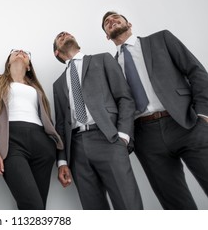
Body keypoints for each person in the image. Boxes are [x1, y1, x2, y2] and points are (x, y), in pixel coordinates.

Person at [101, 11, 208, 209]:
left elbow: (196, 71)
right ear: (107, 35)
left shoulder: (161, 39)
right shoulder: (111, 66)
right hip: (147, 138)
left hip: (187, 123)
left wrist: (203, 114)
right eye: (106, 23)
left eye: (116, 17)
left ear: (129, 23)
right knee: (176, 205)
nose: (111, 21)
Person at [52, 32, 143, 210]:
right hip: (76, 148)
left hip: (108, 138)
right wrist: (62, 161)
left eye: (66, 33)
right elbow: (61, 125)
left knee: (127, 203)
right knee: (93, 209)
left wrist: (123, 135)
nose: (63, 34)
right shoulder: (58, 84)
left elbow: (124, 97)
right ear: (57, 52)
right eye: (59, 37)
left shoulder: (102, 60)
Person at [0, 49, 63, 210]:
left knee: (39, 207)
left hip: (42, 144)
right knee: (31, 205)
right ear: (8, 62)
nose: (20, 52)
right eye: (15, 51)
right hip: (11, 142)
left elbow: (47, 119)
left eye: (25, 53)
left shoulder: (37, 89)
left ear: (28, 67)